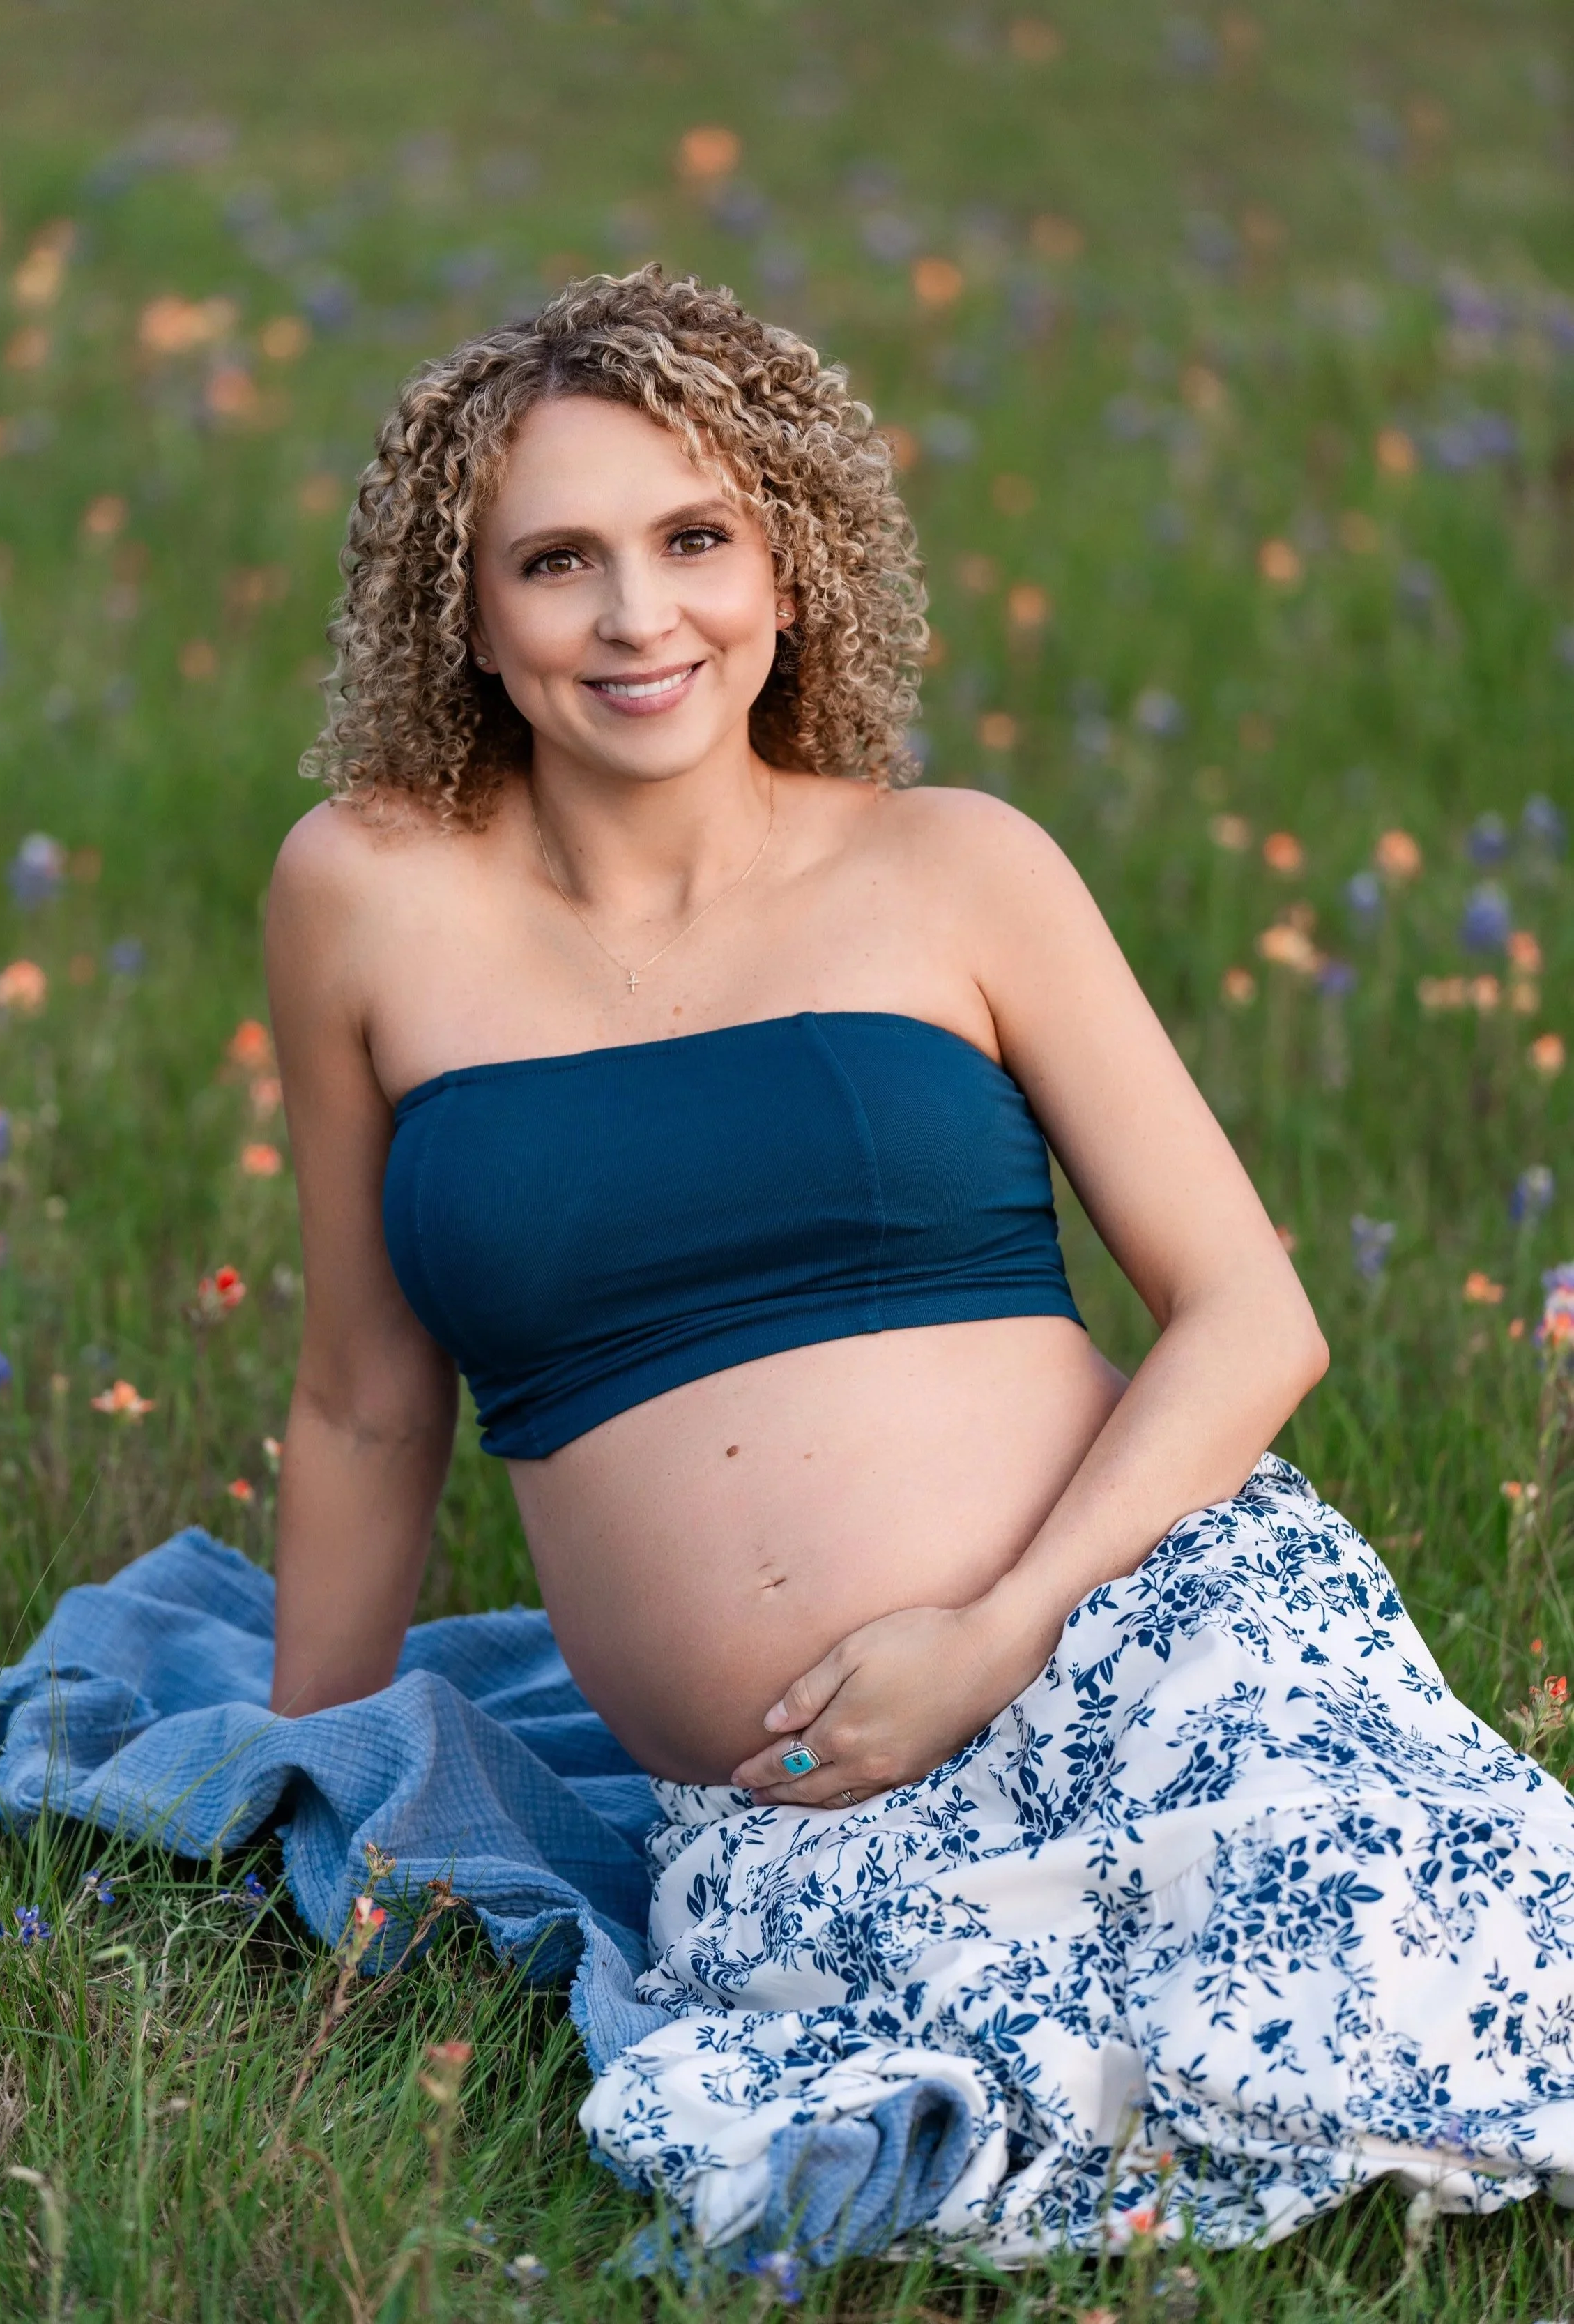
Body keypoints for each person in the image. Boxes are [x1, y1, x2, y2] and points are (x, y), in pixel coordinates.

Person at [263, 266, 1574, 2265]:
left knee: (1417, 1980)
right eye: (556, 561)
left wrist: (995, 1623)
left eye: (695, 539)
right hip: (788, 1803)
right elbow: (366, 1393)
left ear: (788, 570)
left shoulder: (953, 866)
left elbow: (1250, 1315)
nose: (638, 618)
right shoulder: (363, 891)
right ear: (464, 612)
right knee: (958, 2091)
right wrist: (318, 1773)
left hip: (1144, 1638)